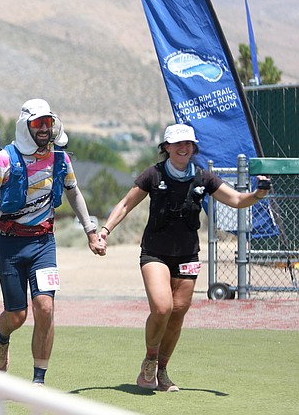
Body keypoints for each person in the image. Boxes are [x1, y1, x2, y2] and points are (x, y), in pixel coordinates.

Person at [97, 123, 272, 392]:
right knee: (162, 308)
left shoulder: (204, 178)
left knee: (178, 314)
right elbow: (125, 204)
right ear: (166, 148)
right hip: (155, 252)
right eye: (178, 143)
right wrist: (105, 230)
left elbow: (237, 200)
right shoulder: (152, 175)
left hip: (188, 255)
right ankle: (150, 361)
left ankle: (163, 370)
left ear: (193, 147)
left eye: (188, 143)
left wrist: (258, 194)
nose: (184, 148)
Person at [0, 99, 105, 386]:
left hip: (44, 243)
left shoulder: (60, 159)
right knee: (16, 315)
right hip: (9, 245)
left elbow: (74, 193)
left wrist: (90, 231)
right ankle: (0, 336)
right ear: (26, 126)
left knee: (45, 307)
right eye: (37, 123)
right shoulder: (4, 159)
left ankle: (38, 381)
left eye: (48, 123)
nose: (44, 128)